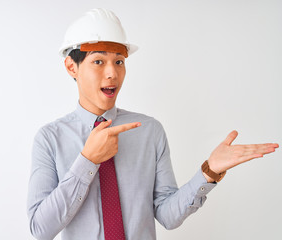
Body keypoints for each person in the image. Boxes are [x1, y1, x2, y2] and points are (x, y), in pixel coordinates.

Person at [27, 8, 279, 240]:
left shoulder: (149, 130)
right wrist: (88, 161)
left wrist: (209, 171)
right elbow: (41, 229)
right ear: (72, 67)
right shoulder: (50, 138)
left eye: (119, 61)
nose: (112, 73)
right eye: (98, 61)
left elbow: (167, 216)